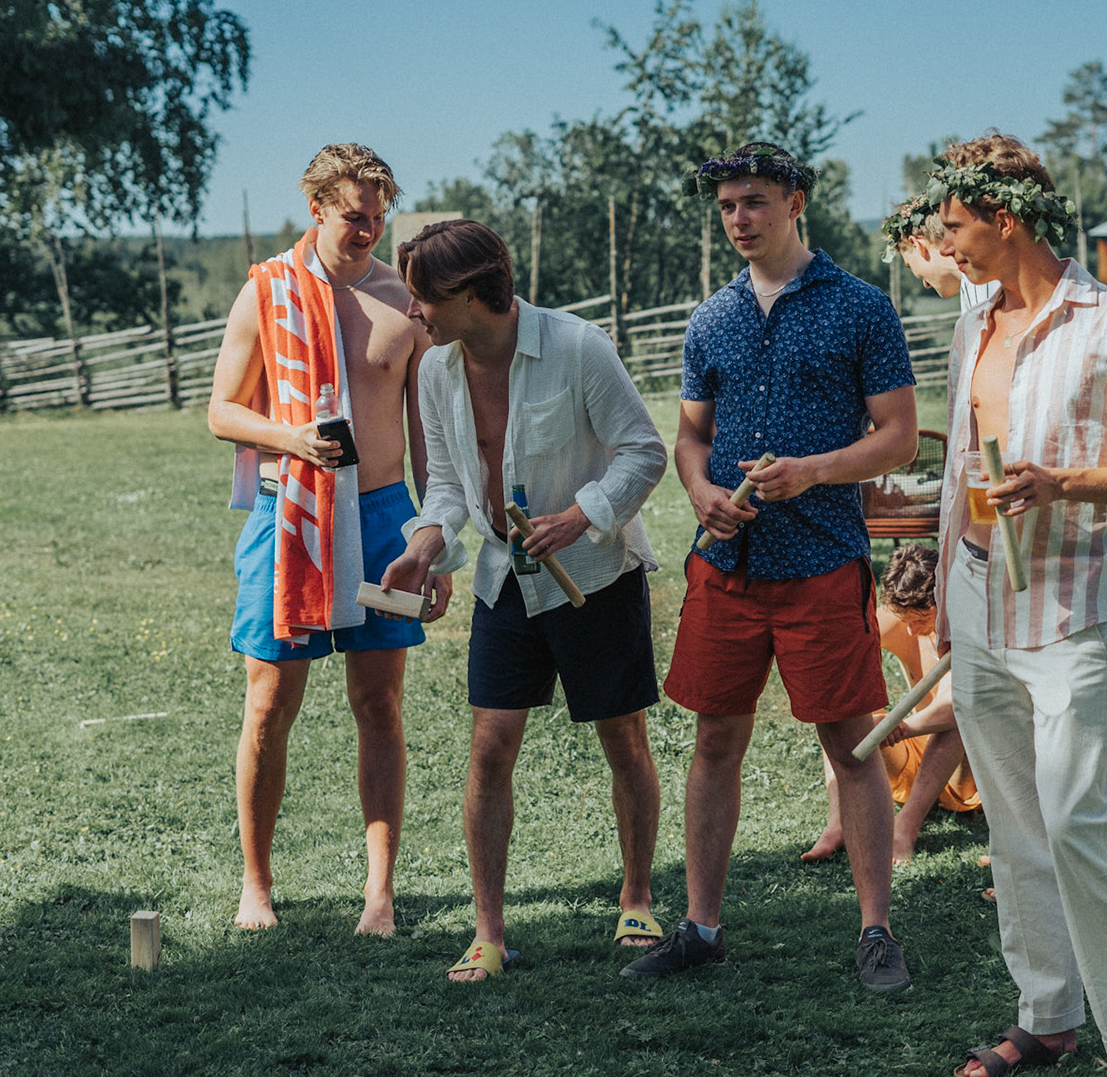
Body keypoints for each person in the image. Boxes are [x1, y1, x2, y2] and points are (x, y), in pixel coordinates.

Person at [621, 141, 920, 994]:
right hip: (727, 563)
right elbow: (690, 436)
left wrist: (815, 470)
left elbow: (899, 437)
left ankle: (876, 931)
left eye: (753, 201)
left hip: (821, 557)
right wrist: (700, 491)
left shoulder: (861, 307)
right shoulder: (711, 318)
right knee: (716, 739)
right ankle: (701, 928)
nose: (739, 219)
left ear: (796, 201)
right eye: (726, 207)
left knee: (851, 744)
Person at [927, 133, 1107, 1077]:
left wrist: (1063, 483)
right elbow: (962, 463)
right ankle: (1047, 1016)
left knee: (1076, 815)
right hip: (975, 591)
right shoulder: (973, 327)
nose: (942, 243)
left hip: (1070, 598)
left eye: (954, 226)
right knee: (1012, 824)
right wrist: (944, 581)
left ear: (1005, 220)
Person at [378, 219, 669, 983]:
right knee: (490, 747)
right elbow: (447, 484)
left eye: (423, 296)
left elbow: (645, 451)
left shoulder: (577, 347)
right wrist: (424, 544)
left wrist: (580, 515)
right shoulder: (436, 371)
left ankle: (637, 897)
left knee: (622, 739)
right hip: (504, 580)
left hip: (596, 576)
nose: (413, 311)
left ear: (471, 294)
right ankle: (489, 933)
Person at [206, 143, 433, 936]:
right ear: (316, 210)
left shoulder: (406, 302)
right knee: (270, 702)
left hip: (381, 516)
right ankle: (256, 885)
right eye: (352, 216)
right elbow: (222, 411)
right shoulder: (267, 291)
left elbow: (426, 432)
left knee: (379, 702)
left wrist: (432, 536)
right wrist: (292, 438)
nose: (367, 230)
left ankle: (380, 894)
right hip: (289, 511)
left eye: (377, 216)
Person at [800, 542, 978, 867]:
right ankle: (838, 823)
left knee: (956, 722)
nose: (911, 630)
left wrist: (901, 726)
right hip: (913, 764)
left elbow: (955, 704)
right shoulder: (902, 618)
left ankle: (905, 827)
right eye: (903, 619)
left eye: (921, 618)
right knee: (838, 710)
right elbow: (840, 662)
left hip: (965, 777)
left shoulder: (966, 626)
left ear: (943, 602)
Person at [881, 193, 1002, 312]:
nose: (926, 284)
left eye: (909, 265)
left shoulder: (985, 281)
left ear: (917, 245)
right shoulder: (973, 283)